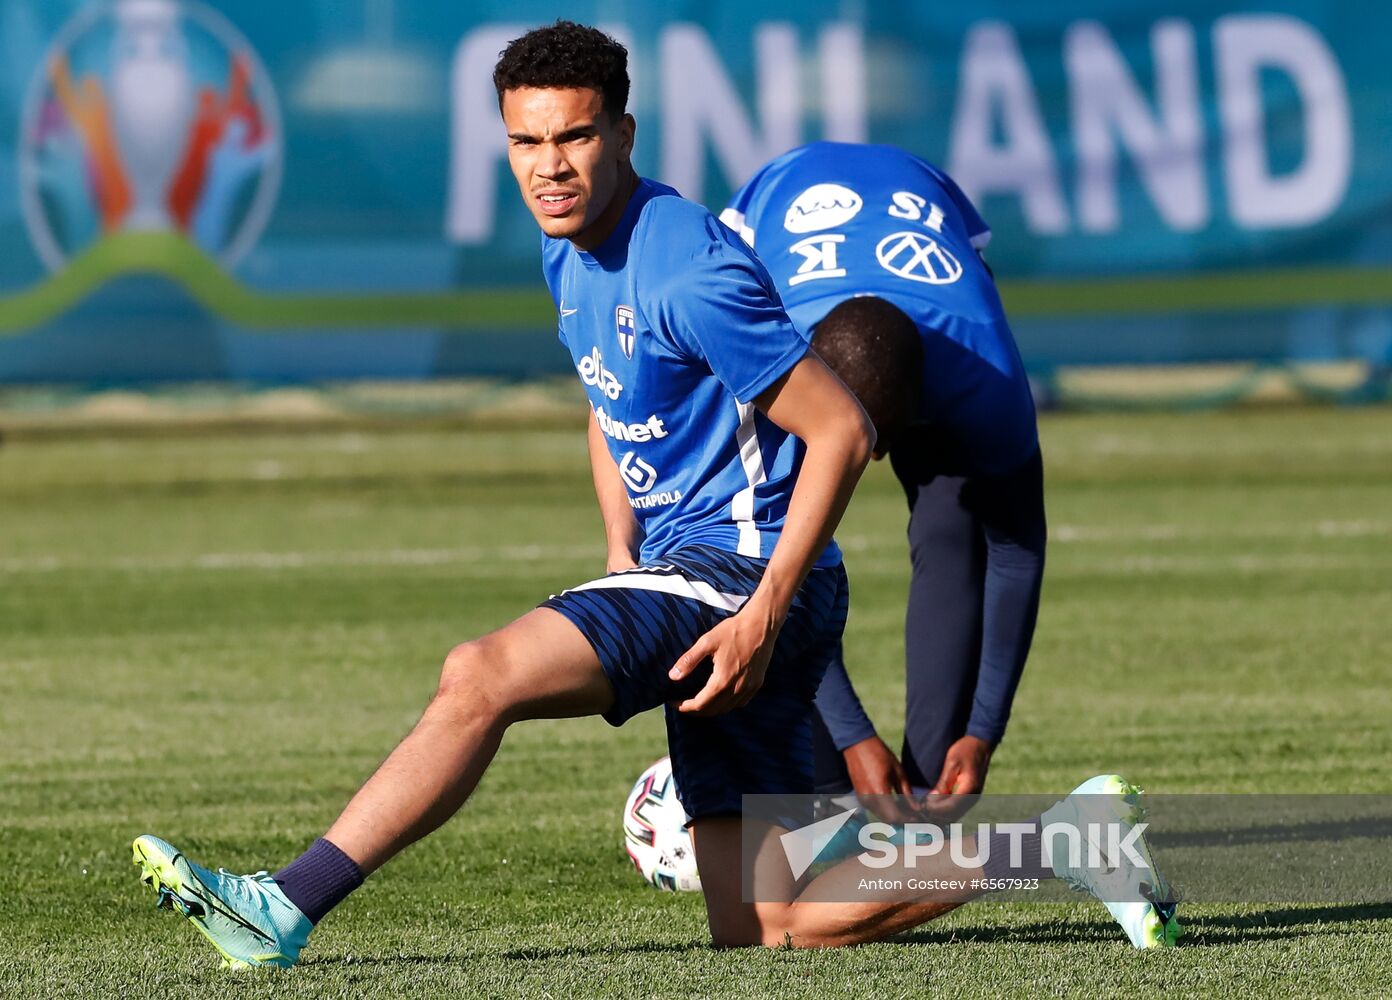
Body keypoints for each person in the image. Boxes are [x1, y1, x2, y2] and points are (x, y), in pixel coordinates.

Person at [131, 24, 1175, 968]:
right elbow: (607, 395)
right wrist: (617, 543)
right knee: (767, 925)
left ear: (625, 132)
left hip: (736, 579)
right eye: (527, 142)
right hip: (710, 575)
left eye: (575, 138)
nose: (550, 166)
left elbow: (844, 429)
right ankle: (1064, 844)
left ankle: (282, 906)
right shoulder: (565, 242)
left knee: (478, 674)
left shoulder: (692, 270)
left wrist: (763, 608)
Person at [722, 143, 1048, 817]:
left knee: (953, 515)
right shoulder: (763, 365)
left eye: (875, 445)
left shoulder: (986, 377)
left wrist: (983, 729)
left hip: (928, 200)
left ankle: (928, 796)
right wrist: (852, 738)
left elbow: (1017, 554)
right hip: (774, 209)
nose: (862, 466)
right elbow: (759, 573)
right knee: (730, 560)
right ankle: (829, 799)